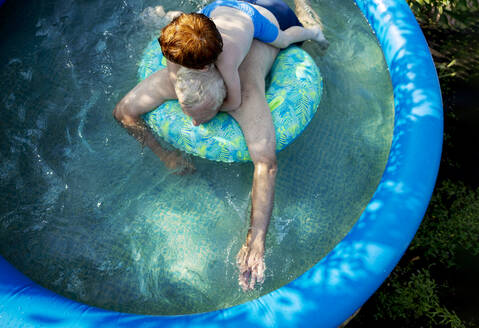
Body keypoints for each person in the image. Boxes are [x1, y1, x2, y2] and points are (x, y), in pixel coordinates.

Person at [114, 0, 328, 290]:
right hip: (220, 13)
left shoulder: (245, 93)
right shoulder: (173, 75)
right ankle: (160, 16)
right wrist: (164, 154)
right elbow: (123, 113)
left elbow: (266, 164)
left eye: (204, 117)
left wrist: (256, 239)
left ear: (223, 104)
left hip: (269, 16)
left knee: (298, 34)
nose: (195, 126)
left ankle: (305, 14)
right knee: (185, 26)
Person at [159, 0, 329, 113]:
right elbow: (171, 62)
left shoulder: (227, 62)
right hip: (218, 8)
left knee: (284, 40)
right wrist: (179, 89)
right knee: (186, 24)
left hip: (250, 16)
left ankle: (313, 33)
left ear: (203, 67)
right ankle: (160, 14)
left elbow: (235, 102)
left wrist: (209, 109)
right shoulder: (199, 23)